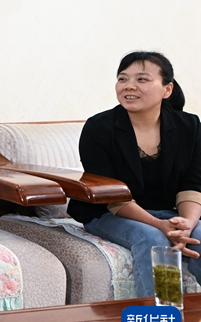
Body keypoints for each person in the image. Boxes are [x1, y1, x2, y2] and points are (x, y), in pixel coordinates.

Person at [68, 51, 201, 297]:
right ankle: (161, 318)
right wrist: (159, 225)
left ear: (167, 89)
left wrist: (187, 225)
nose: (129, 86)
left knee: (199, 236)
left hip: (170, 211)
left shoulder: (189, 126)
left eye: (142, 79)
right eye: (123, 79)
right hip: (109, 212)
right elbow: (111, 195)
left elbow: (192, 184)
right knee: (152, 239)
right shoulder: (99, 128)